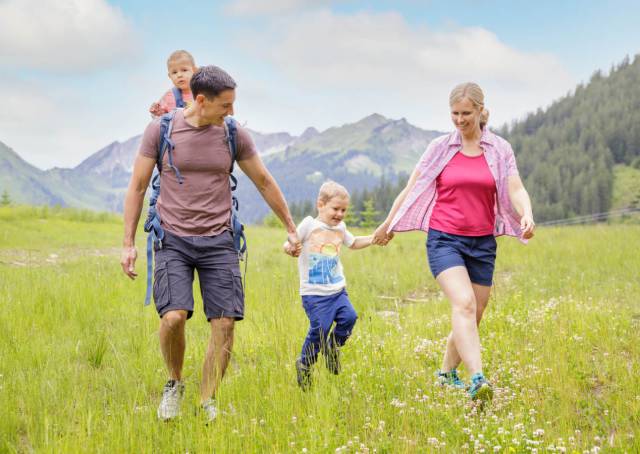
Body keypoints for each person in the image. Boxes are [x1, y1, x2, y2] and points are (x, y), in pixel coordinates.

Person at [121, 65, 301, 421]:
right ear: (201, 101)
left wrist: (291, 227)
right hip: (171, 238)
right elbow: (139, 186)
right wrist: (127, 243)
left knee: (225, 324)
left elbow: (264, 181)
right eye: (225, 105)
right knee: (173, 317)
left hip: (219, 240)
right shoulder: (161, 130)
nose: (231, 112)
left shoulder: (233, 134)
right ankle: (174, 383)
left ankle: (207, 400)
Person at [373, 82, 535, 402]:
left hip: (483, 243)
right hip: (444, 239)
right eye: (454, 114)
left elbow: (515, 188)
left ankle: (446, 374)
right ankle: (478, 379)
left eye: (466, 114)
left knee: (473, 315)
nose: (460, 120)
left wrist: (526, 213)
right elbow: (412, 187)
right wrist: (388, 223)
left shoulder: (499, 148)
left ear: (480, 110)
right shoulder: (440, 148)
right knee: (463, 304)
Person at [284, 181, 374, 390]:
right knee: (321, 328)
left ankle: (332, 348)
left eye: (343, 210)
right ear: (320, 205)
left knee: (349, 318)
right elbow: (289, 242)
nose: (340, 214)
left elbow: (353, 243)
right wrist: (290, 248)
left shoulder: (340, 228)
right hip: (314, 294)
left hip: (337, 291)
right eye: (335, 209)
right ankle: (305, 363)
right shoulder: (309, 224)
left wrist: (374, 238)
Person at [149, 50, 197, 117]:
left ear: (194, 71)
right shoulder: (169, 96)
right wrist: (157, 112)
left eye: (184, 70)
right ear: (170, 76)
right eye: (174, 72)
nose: (179, 75)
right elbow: (162, 119)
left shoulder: (204, 92)